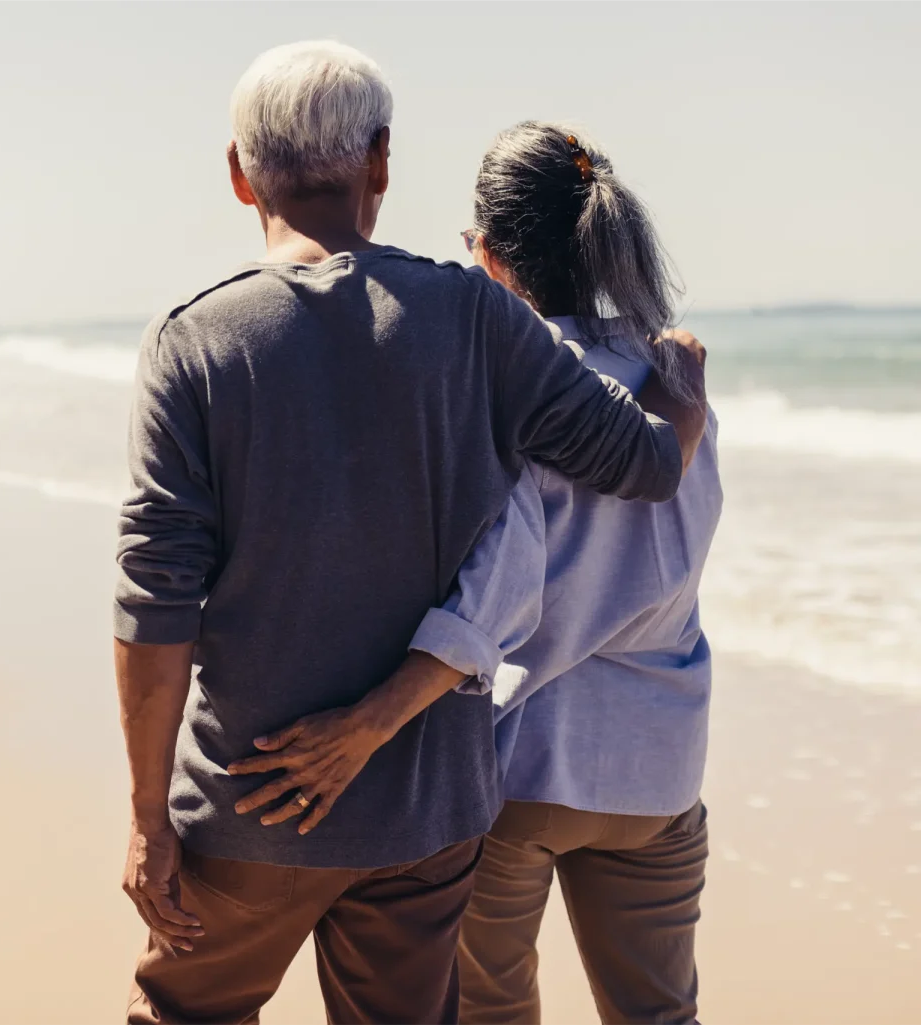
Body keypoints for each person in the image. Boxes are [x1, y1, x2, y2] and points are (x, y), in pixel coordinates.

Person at [113, 44, 706, 1025]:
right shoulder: (474, 315)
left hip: (246, 805)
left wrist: (146, 818)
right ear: (381, 161)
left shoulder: (195, 340)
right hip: (426, 812)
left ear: (236, 171)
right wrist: (681, 398)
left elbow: (154, 592)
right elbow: (639, 463)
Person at [438, 123, 723, 1025]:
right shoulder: (677, 377)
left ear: (486, 252)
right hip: (658, 763)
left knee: (487, 1014)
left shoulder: (498, 383)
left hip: (516, 758)